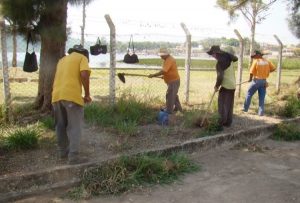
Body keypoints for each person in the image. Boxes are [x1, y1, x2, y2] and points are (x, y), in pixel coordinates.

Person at [51, 44, 92, 165]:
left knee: (60, 125)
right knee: (75, 127)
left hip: (57, 96)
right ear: (84, 53)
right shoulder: (81, 58)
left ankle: (63, 152)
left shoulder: (62, 60)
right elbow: (84, 75)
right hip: (71, 97)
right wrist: (87, 94)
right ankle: (73, 157)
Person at [207, 45, 238, 127]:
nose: (212, 56)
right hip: (233, 85)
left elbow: (220, 76)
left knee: (222, 104)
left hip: (226, 86)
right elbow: (236, 58)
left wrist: (216, 86)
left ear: (215, 53)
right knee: (229, 104)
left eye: (212, 54)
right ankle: (228, 122)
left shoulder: (220, 63)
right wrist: (226, 53)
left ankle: (220, 123)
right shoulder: (228, 57)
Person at [148, 47, 182, 114]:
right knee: (173, 95)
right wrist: (164, 76)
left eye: (161, 55)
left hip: (173, 81)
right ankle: (178, 109)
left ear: (166, 54)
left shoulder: (169, 60)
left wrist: (153, 75)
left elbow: (163, 71)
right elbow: (168, 71)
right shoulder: (167, 59)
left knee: (169, 96)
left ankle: (169, 111)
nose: (160, 56)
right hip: (173, 81)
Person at [242, 50, 275, 116]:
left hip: (256, 81)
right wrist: (267, 72)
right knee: (262, 97)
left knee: (249, 94)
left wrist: (250, 79)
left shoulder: (256, 61)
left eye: (254, 56)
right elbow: (273, 68)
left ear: (258, 55)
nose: (253, 57)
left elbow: (251, 72)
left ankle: (245, 109)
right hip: (264, 81)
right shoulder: (267, 61)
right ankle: (261, 113)